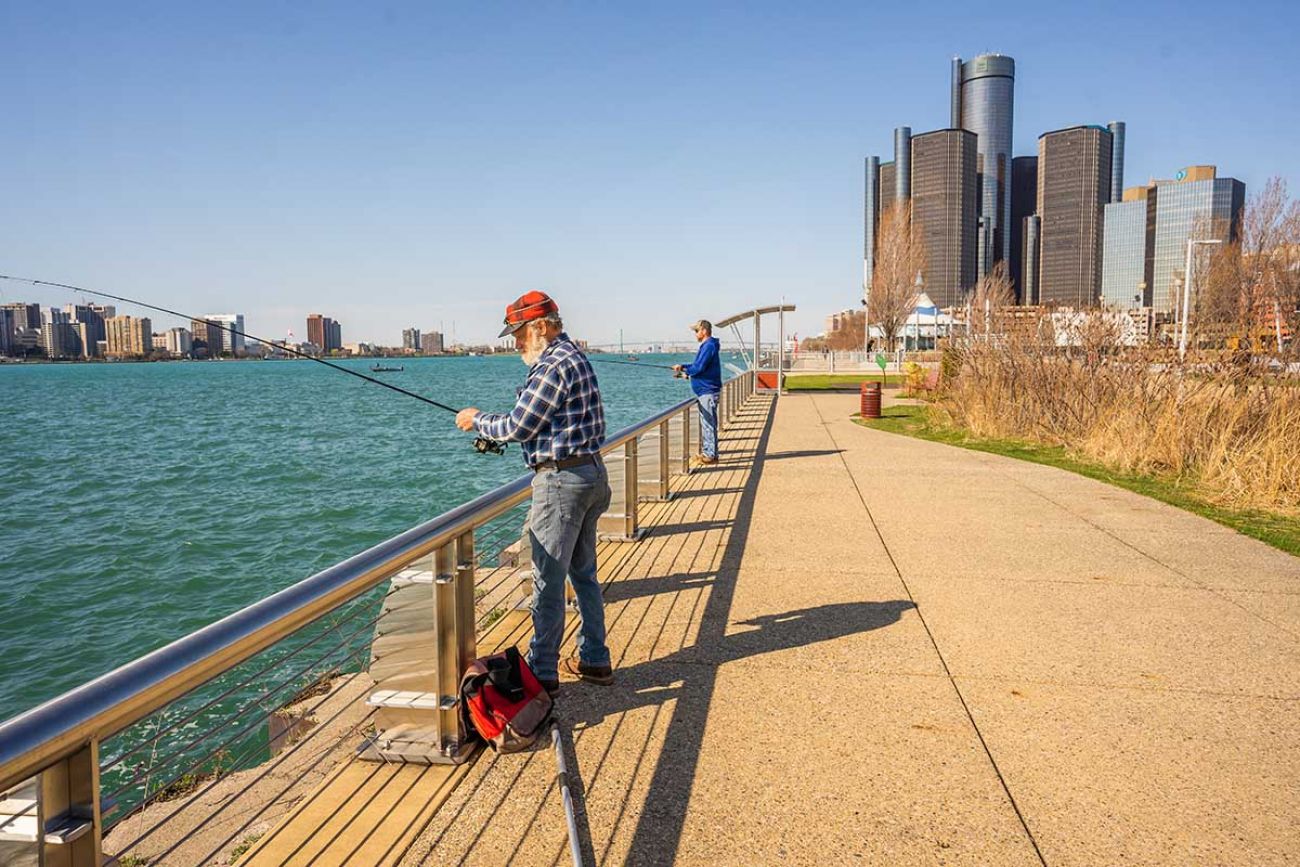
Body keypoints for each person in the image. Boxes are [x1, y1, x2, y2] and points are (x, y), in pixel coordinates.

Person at [455, 291, 613, 695]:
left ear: (540, 327)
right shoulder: (574, 357)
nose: (515, 343)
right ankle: (595, 658)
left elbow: (519, 426)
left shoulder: (552, 364)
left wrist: (477, 421)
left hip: (562, 483)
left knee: (546, 577)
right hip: (591, 473)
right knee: (584, 574)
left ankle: (542, 672)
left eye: (519, 334)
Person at [673, 319, 722, 465]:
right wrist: (683, 367)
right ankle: (708, 452)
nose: (695, 334)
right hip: (704, 391)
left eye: (696, 331)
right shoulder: (707, 346)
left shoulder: (709, 346)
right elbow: (697, 366)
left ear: (704, 331)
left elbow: (699, 368)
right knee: (707, 423)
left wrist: (685, 370)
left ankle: (710, 455)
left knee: (708, 423)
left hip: (707, 391)